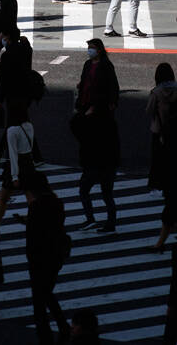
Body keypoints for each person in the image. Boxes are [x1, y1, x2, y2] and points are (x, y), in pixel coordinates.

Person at [72, 38, 119, 233]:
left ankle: (97, 219)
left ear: (99, 50)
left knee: (89, 189)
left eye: (92, 48)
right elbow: (84, 83)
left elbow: (111, 90)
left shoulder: (106, 67)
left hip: (97, 162)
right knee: (105, 192)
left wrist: (96, 107)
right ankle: (108, 222)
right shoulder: (87, 65)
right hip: (106, 161)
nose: (89, 51)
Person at [19, 172, 71, 345]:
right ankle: (63, 326)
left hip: (40, 259)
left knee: (39, 303)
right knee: (46, 293)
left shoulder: (36, 206)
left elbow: (33, 236)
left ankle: (46, 337)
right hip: (56, 256)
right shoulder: (56, 202)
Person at [146, 63, 177, 252]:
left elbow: (149, 111)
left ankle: (158, 183)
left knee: (160, 165)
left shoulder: (156, 92)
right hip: (176, 135)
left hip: (161, 135)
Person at [0, 101, 35, 233]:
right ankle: (35, 225)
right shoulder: (29, 126)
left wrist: (14, 176)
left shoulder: (12, 130)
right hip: (28, 164)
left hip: (16, 166)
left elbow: (13, 155)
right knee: (31, 199)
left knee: (3, 199)